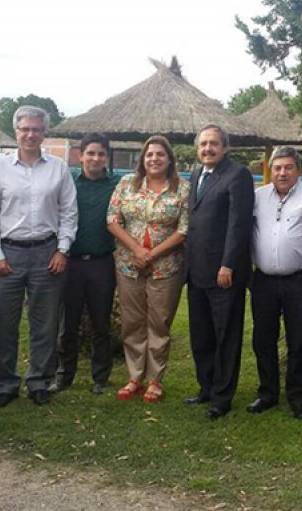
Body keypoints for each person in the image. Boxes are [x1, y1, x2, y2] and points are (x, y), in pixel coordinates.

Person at [0, 105, 77, 408]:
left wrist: (62, 249)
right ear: (16, 132)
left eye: (36, 129)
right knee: (4, 322)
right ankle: (5, 384)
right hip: (8, 253)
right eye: (24, 129)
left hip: (47, 253)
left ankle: (39, 382)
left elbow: (69, 212)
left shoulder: (58, 168)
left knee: (44, 323)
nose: (30, 134)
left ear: (44, 133)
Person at [247, 146, 302, 419]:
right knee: (263, 338)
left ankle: (298, 396)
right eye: (277, 168)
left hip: (300, 279)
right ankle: (267, 393)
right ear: (270, 170)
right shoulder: (258, 197)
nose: (282, 173)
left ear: (298, 170)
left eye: (288, 167)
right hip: (264, 280)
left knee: (299, 339)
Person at [107, 135, 190, 403]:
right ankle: (135, 377)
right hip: (129, 264)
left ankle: (155, 379)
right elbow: (112, 220)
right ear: (142, 159)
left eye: (160, 154)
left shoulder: (182, 188)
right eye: (150, 154)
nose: (154, 159)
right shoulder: (126, 184)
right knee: (133, 321)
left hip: (166, 266)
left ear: (169, 160)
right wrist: (137, 250)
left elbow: (184, 229)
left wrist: (151, 254)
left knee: (159, 322)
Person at [184, 124, 254, 420]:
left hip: (224, 272)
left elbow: (239, 224)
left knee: (225, 335)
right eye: (203, 144)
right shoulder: (197, 174)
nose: (207, 149)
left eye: (213, 143)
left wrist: (228, 264)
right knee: (201, 334)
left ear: (224, 147)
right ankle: (207, 387)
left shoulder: (238, 175)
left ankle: (222, 397)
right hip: (197, 270)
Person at [50, 133, 120, 395]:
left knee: (101, 322)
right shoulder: (68, 182)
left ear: (106, 157)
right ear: (81, 156)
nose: (95, 158)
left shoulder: (117, 185)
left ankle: (100, 376)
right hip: (71, 261)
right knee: (67, 323)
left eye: (101, 154)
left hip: (102, 262)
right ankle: (63, 374)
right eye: (90, 153)